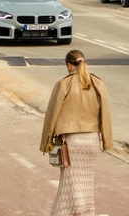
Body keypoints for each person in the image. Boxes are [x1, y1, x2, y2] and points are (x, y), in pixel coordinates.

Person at [40, 50, 113, 216]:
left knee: (68, 189)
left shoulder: (63, 84)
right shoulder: (98, 84)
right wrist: (107, 142)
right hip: (92, 142)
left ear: (69, 65)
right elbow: (106, 115)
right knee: (86, 187)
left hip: (71, 144)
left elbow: (52, 114)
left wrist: (46, 143)